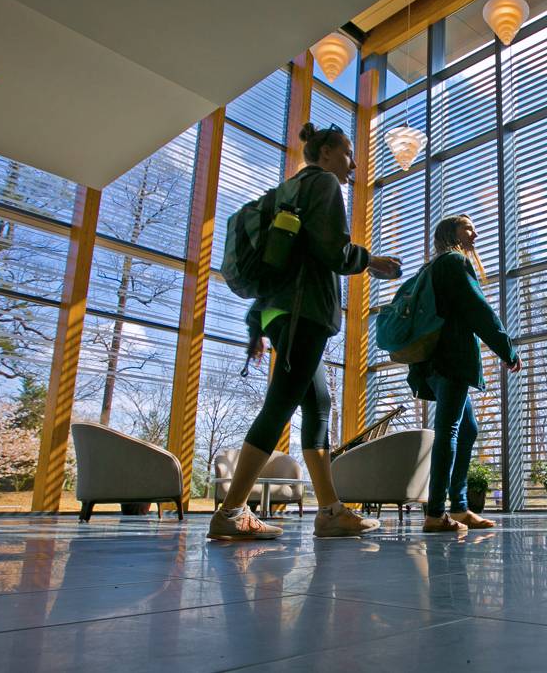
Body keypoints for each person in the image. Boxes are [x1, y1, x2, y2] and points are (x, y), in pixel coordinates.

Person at [208, 122, 402, 541]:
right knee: (280, 405)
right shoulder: (324, 186)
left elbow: (282, 262)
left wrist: (257, 326)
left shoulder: (288, 192)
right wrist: (373, 261)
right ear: (328, 153)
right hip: (305, 314)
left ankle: (330, 510)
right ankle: (230, 512)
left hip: (284, 314)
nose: (354, 164)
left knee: (319, 404)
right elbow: (334, 251)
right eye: (349, 153)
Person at [409, 215, 523, 533]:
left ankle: (458, 508)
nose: (475, 233)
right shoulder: (454, 262)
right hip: (450, 360)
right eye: (467, 227)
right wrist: (507, 350)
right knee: (450, 431)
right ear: (451, 233)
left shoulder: (429, 268)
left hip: (430, 361)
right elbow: (478, 310)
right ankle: (435, 513)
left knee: (468, 429)